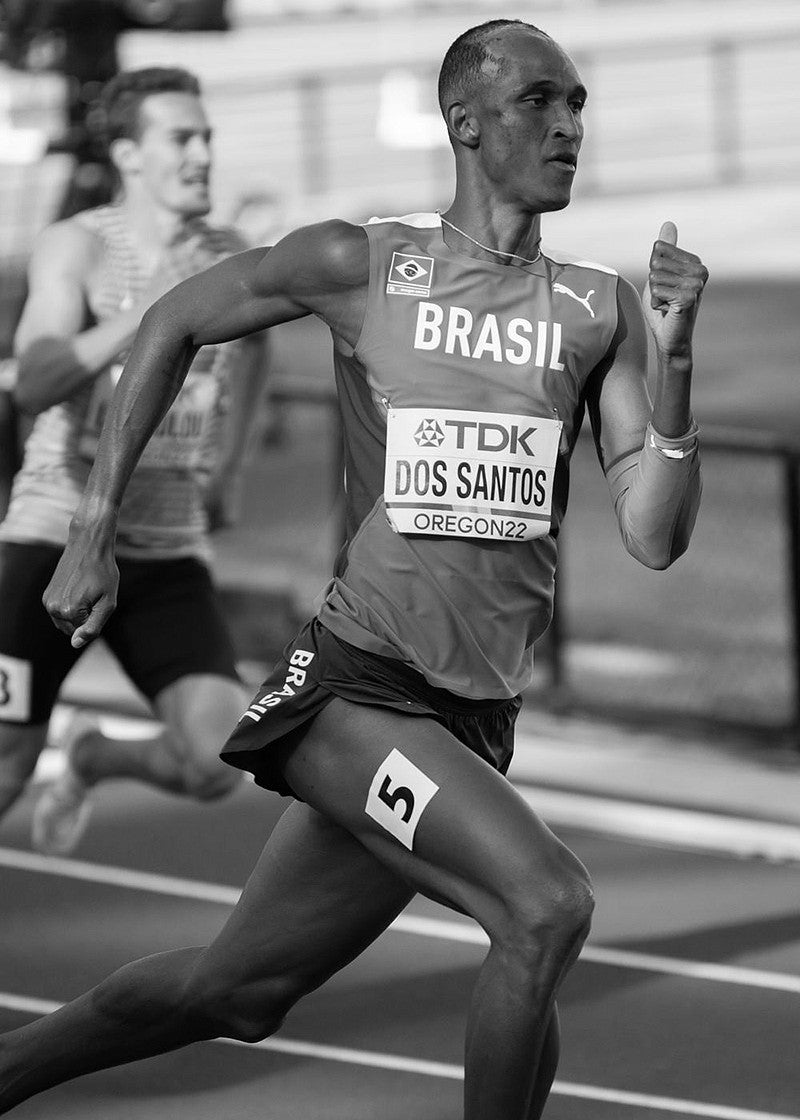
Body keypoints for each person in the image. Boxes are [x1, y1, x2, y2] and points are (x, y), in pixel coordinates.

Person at [1, 20, 706, 1120]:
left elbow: (653, 533)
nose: (567, 125)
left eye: (576, 104)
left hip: (472, 717)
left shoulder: (595, 307)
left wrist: (675, 358)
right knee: (542, 906)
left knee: (240, 989)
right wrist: (93, 525)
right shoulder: (365, 263)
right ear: (464, 123)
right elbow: (178, 319)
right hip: (355, 690)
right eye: (538, 102)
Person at [0, 66, 269, 854]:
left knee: (220, 756)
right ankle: (47, 753)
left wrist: (233, 466)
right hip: (55, 535)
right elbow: (36, 380)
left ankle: (91, 756)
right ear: (127, 154)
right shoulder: (78, 246)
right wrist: (157, 309)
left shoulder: (232, 258)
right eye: (180, 138)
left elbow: (251, 361)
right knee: (7, 768)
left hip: (166, 549)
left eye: (207, 139)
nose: (201, 156)